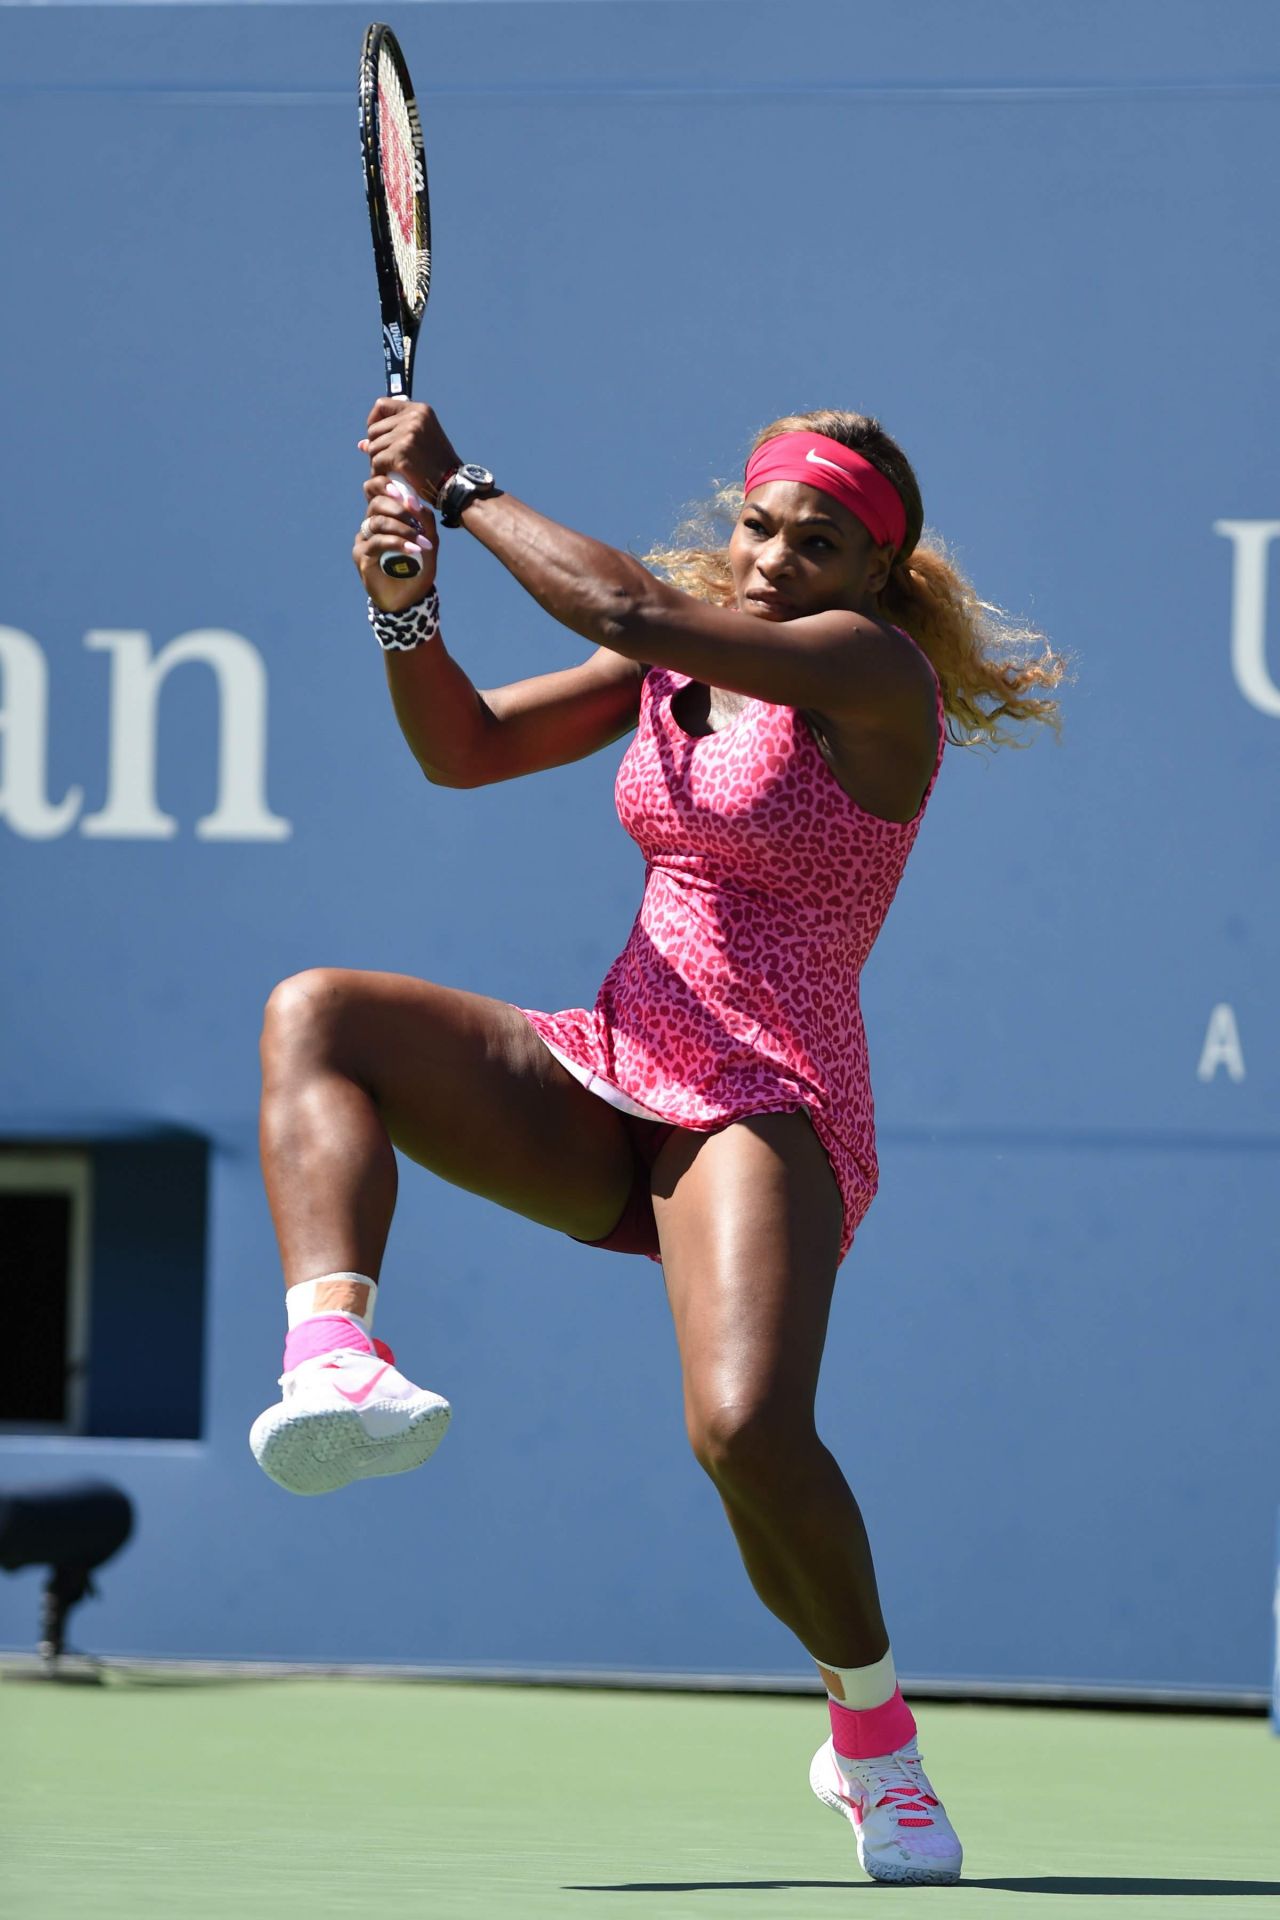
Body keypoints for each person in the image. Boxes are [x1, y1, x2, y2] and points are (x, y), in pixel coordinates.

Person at [250, 400, 1062, 1886]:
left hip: (768, 1097)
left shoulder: (866, 675)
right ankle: (333, 1359)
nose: (772, 559)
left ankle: (871, 1744)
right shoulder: (673, 661)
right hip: (614, 1062)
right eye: (759, 525)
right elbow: (468, 751)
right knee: (321, 1015)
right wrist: (405, 606)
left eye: (819, 543)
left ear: (876, 579)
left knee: (745, 1432)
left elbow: (624, 596)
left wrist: (461, 483)